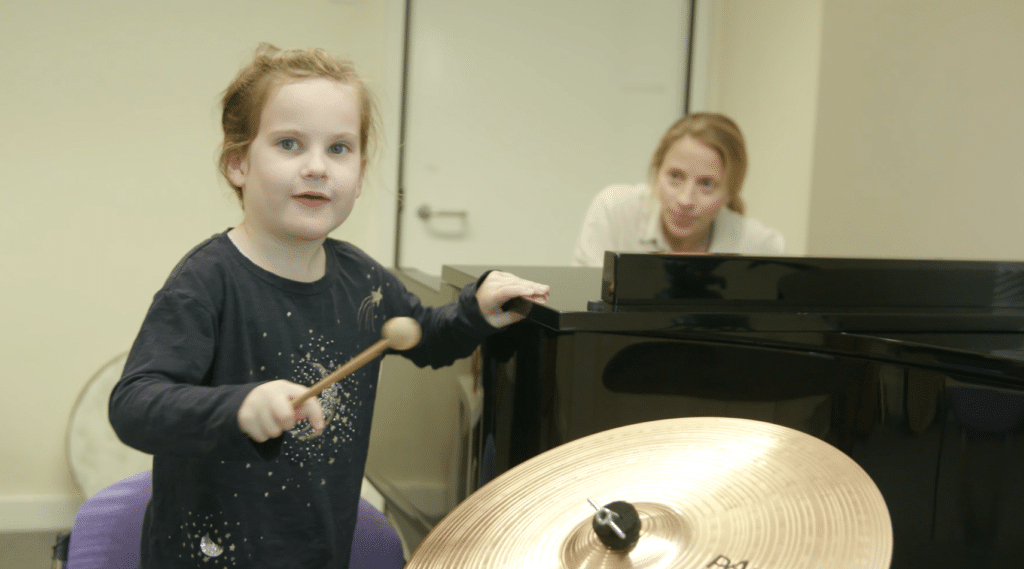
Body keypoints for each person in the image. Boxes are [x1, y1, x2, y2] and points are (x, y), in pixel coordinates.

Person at [108, 44, 549, 569]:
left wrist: (476, 310)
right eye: (289, 144)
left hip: (317, 550)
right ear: (238, 164)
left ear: (361, 173)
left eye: (340, 149)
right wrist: (238, 406)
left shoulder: (361, 280)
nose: (317, 167)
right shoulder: (206, 281)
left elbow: (428, 335)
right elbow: (134, 405)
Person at [572, 112, 784, 267]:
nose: (685, 200)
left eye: (706, 184)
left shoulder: (760, 248)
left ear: (731, 191)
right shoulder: (614, 213)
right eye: (675, 177)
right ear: (657, 171)